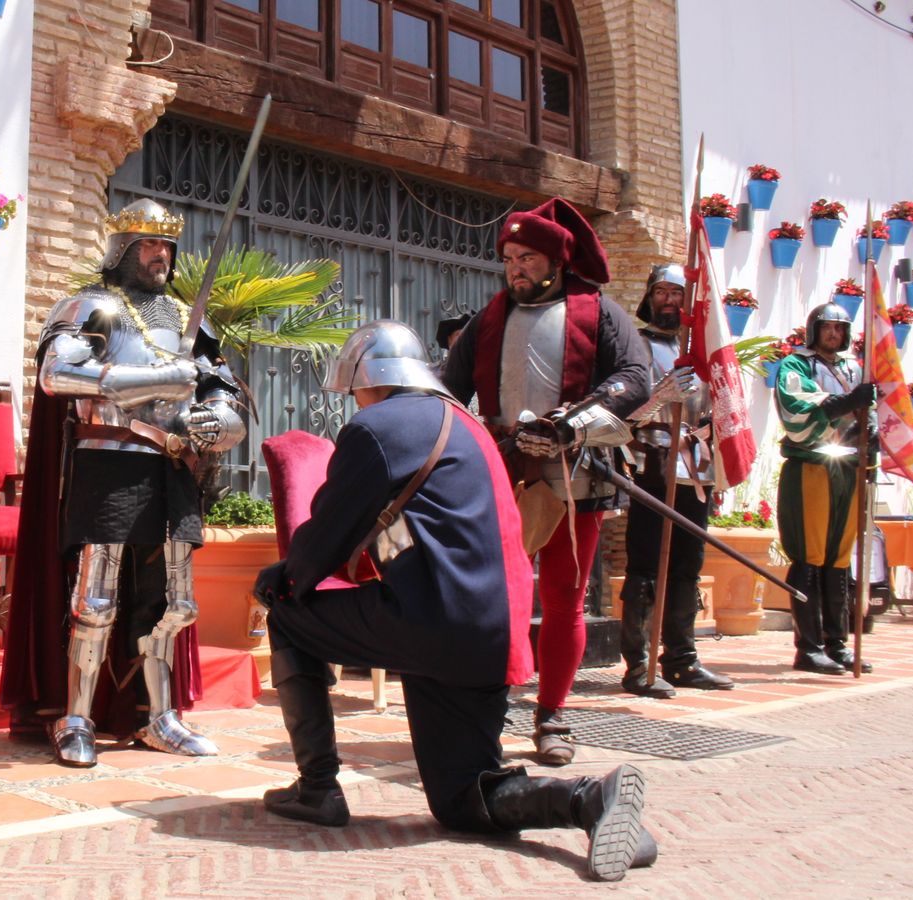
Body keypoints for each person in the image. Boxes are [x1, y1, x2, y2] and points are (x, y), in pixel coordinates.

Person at [253, 322, 654, 883]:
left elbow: (328, 534)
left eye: (354, 391)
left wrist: (285, 579)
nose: (354, 403)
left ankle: (317, 789)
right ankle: (586, 800)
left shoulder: (377, 426)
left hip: (433, 620)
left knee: (290, 614)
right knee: (462, 801)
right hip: (496, 629)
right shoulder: (468, 425)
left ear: (369, 378)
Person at [1, 198, 247, 768]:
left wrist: (224, 418)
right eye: (149, 245)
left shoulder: (189, 320)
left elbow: (222, 385)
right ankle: (77, 718)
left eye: (167, 247)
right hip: (110, 462)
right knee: (96, 599)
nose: (161, 256)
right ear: (123, 250)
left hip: (175, 466)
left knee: (174, 603)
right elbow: (58, 374)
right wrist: (161, 376)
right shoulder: (92, 307)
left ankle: (157, 718)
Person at [441, 198, 649, 766]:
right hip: (502, 469)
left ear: (557, 260)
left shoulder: (600, 311)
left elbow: (635, 378)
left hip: (572, 470)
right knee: (494, 596)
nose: (516, 268)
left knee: (563, 598)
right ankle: (487, 704)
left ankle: (552, 715)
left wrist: (571, 425)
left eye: (527, 257)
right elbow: (449, 388)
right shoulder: (490, 317)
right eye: (509, 258)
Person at [616, 265, 734, 697]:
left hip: (697, 468)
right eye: (662, 292)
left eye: (677, 293)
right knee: (646, 566)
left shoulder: (704, 353)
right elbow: (621, 415)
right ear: (650, 298)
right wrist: (660, 396)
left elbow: (718, 414)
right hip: (653, 464)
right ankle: (639, 666)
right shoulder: (635, 347)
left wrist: (721, 469)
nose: (669, 300)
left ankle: (682, 659)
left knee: (688, 566)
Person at [773, 302, 876, 676]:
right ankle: (809, 647)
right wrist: (847, 402)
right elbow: (795, 404)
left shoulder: (853, 369)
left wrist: (872, 429)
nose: (834, 334)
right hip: (811, 465)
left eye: (839, 328)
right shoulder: (797, 364)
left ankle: (838, 643)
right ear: (814, 329)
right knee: (810, 556)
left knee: (838, 559)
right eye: (827, 327)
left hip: (847, 467)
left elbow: (870, 413)